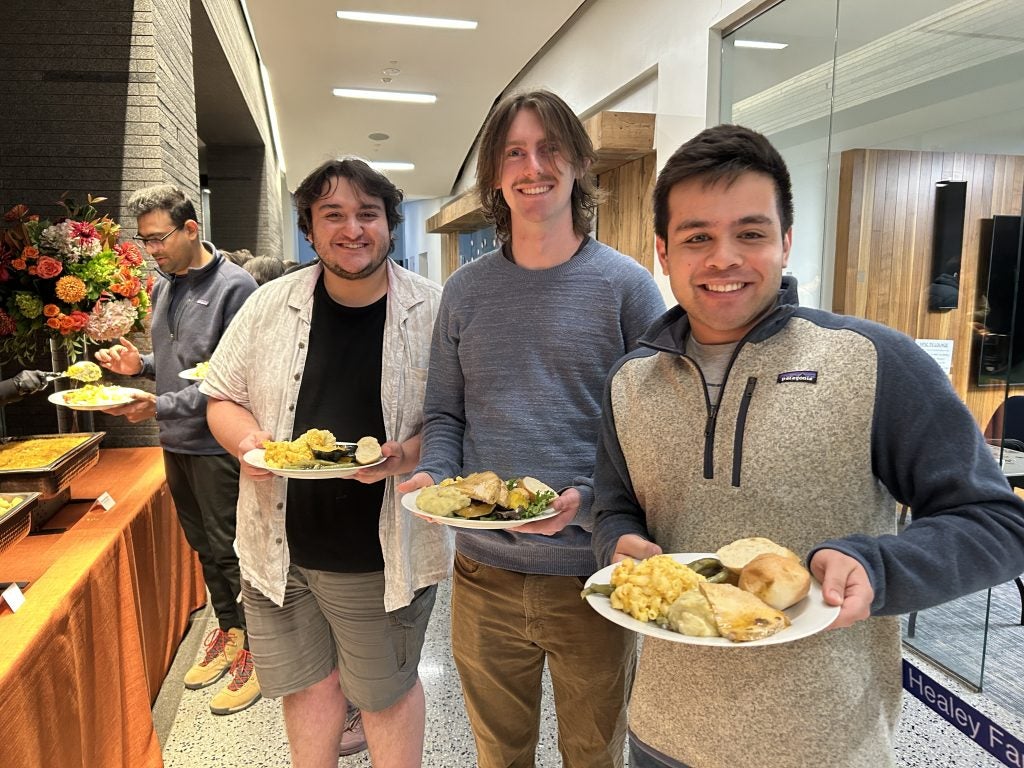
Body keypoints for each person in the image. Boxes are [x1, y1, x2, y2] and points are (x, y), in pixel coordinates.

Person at [590, 124, 1024, 768]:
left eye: (751, 233)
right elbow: (614, 506)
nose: (724, 258)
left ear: (786, 241)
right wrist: (617, 544)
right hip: (664, 731)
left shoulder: (873, 361)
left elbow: (996, 524)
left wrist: (877, 569)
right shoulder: (630, 382)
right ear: (663, 251)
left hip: (824, 740)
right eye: (697, 237)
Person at [399, 89, 665, 768]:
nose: (533, 165)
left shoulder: (626, 288)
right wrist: (435, 472)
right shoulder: (465, 290)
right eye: (514, 151)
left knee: (593, 752)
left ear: (578, 161)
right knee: (499, 752)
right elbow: (446, 413)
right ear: (494, 175)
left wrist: (589, 501)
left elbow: (657, 430)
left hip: (594, 578)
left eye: (549, 148)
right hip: (485, 574)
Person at [199, 157, 452, 768]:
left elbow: (457, 419)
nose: (351, 229)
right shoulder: (268, 305)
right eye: (332, 214)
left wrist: (407, 455)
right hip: (276, 550)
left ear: (390, 225)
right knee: (308, 686)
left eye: (368, 214)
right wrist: (248, 445)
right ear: (309, 229)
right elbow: (221, 395)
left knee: (385, 694)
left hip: (379, 553)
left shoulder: (434, 309)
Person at [93, 184, 261, 716]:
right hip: (178, 444)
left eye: (159, 238)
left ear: (192, 228)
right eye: (144, 242)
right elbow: (179, 362)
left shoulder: (236, 287)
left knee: (234, 548)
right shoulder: (166, 286)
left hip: (217, 445)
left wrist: (158, 405)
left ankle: (258, 649)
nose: (152, 251)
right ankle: (231, 632)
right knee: (205, 548)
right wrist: (137, 367)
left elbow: (234, 379)